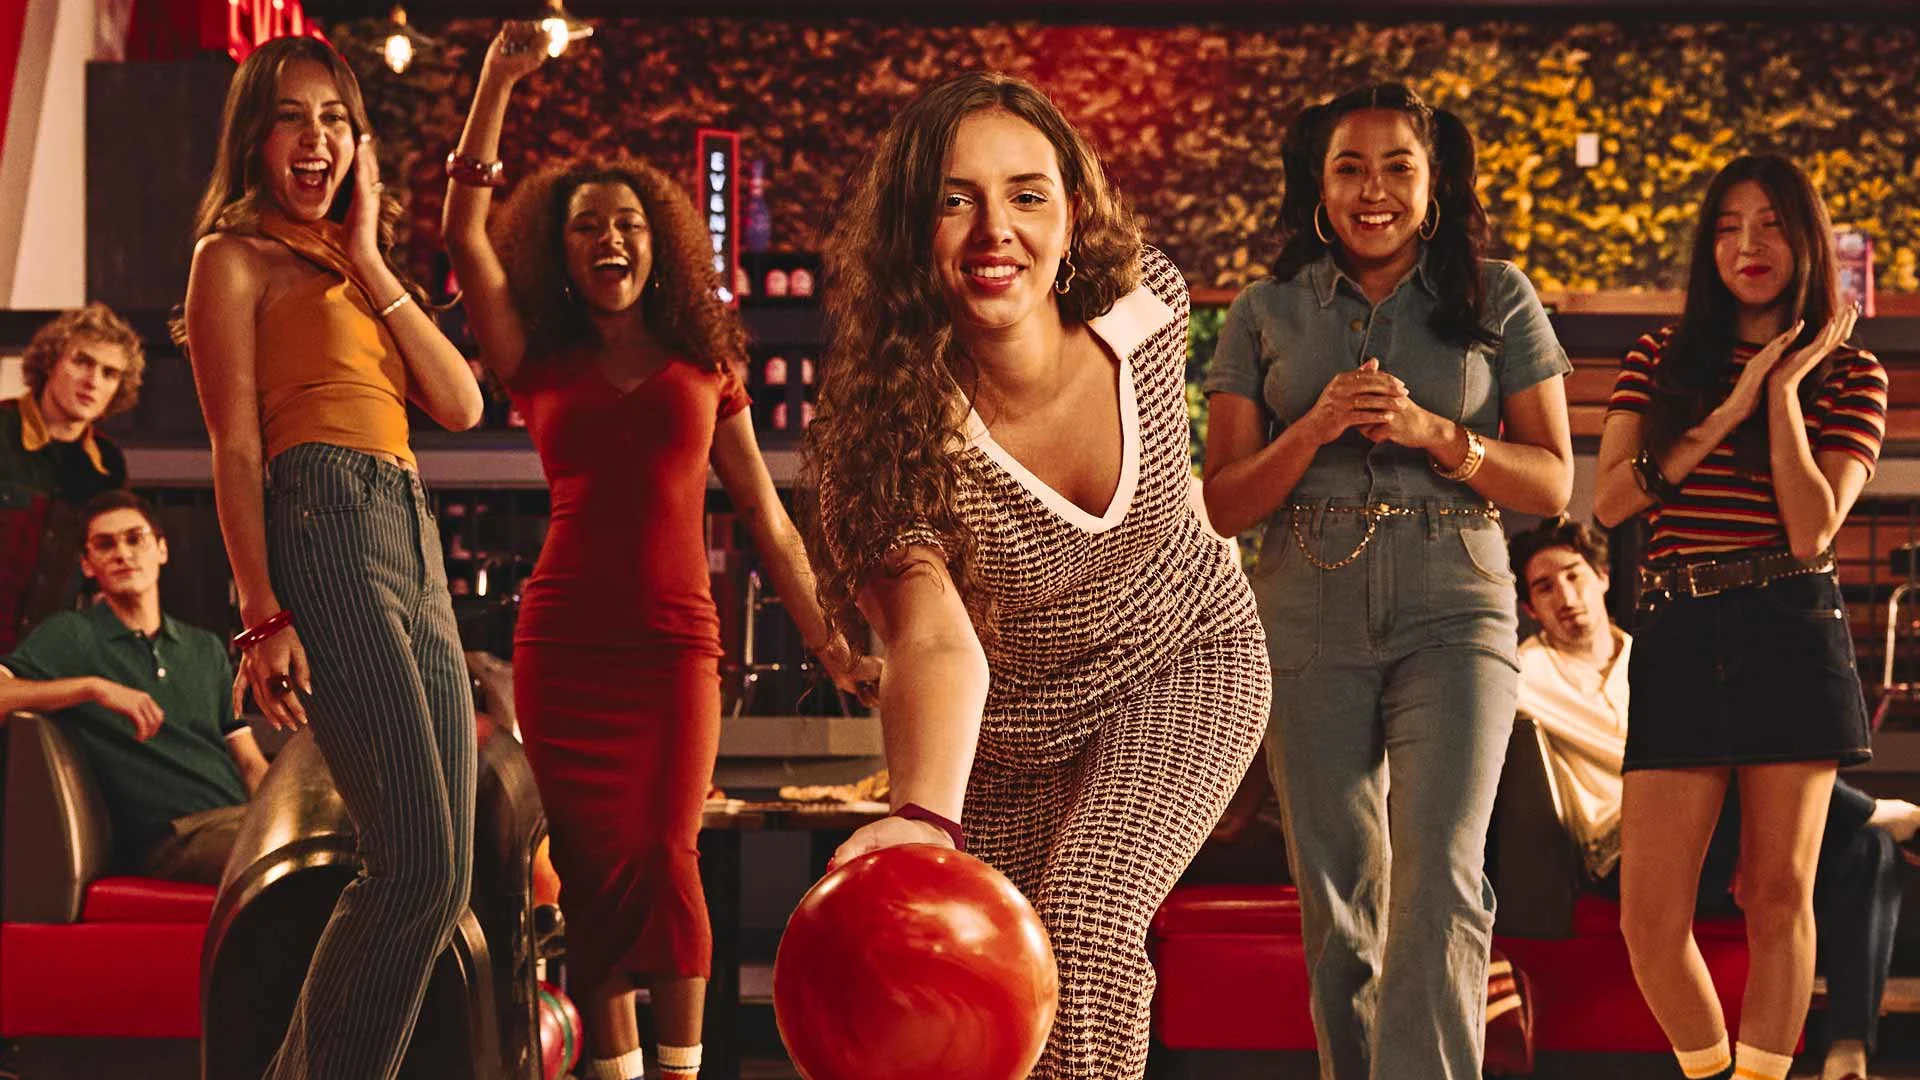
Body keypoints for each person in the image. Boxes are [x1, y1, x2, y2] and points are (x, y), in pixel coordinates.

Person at [804, 72, 1268, 1080]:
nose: (995, 232)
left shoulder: (1147, 306)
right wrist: (924, 818)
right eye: (954, 199)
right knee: (1003, 997)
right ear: (909, 231)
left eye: (1026, 194)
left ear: (1074, 212)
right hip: (1006, 744)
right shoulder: (881, 448)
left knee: (1090, 918)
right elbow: (934, 639)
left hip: (1185, 659)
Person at [439, 23, 878, 1080]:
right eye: (587, 227)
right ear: (561, 251)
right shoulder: (535, 356)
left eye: (628, 224)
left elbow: (767, 517)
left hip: (676, 646)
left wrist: (831, 645)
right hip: (563, 649)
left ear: (659, 242)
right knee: (593, 872)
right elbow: (461, 234)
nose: (610, 242)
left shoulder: (703, 363)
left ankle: (679, 1070)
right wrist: (497, 81)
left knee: (667, 857)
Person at [1201, 83, 1573, 1080]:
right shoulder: (1266, 311)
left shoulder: (1498, 295)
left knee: (1442, 880)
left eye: (1397, 167)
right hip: (1305, 603)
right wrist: (1315, 427)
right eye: (1350, 169)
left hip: (1458, 600)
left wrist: (1437, 433)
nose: (1375, 190)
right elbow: (1225, 503)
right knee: (1338, 897)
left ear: (1434, 180)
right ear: (1319, 189)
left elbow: (1551, 481)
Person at [177, 36, 486, 1080]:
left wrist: (369, 255)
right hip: (325, 519)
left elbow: (460, 403)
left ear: (361, 144)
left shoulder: (355, 266)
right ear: (254, 139)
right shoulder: (231, 257)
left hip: (410, 530)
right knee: (414, 866)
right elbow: (234, 447)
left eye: (335, 121)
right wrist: (261, 614)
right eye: (292, 118)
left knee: (443, 877)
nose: (316, 141)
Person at [1593, 152, 1887, 1080]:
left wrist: (1786, 391)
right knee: (1649, 918)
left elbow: (1812, 530)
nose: (1747, 244)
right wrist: (1730, 406)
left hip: (1789, 625)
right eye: (1727, 227)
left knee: (1776, 893)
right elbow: (1610, 501)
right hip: (1680, 629)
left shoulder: (1853, 373)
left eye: (1769, 225)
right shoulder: (1658, 357)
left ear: (1805, 240)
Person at [1511, 516, 1912, 1080]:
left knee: (1867, 851)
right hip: (1624, 851)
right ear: (1529, 607)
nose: (1564, 597)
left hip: (1717, 830)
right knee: (1731, 770)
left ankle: (1849, 1048)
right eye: (1544, 587)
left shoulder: (1656, 657)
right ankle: (1876, 811)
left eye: (1573, 576)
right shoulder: (1522, 677)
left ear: (1602, 577)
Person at [0, 491, 268, 883]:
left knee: (336, 841)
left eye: (134, 538)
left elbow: (250, 763)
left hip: (241, 822)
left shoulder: (205, 648)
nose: (122, 554)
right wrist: (93, 688)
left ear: (161, 549)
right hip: (171, 840)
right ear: (87, 565)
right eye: (105, 545)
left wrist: (285, 815)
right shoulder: (71, 636)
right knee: (284, 857)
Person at [0, 304, 142, 650]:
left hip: (44, 656)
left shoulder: (108, 464)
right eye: (82, 362)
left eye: (109, 373)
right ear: (50, 361)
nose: (93, 381)